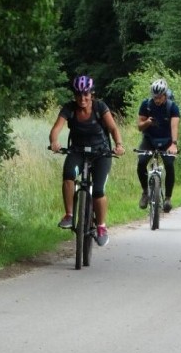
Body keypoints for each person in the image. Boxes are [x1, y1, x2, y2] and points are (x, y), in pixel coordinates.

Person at [49, 75, 125, 247]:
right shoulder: (69, 108)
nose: (82, 98)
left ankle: (101, 227)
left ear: (92, 94)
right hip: (78, 151)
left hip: (101, 153)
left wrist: (119, 145)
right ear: (74, 95)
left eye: (85, 94)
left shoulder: (100, 107)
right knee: (68, 175)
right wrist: (54, 141)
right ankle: (69, 215)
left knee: (98, 190)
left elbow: (113, 128)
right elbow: (56, 128)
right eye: (78, 95)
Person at [136, 78, 181, 212]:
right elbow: (139, 126)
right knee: (141, 162)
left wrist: (173, 144)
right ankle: (145, 192)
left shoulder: (172, 107)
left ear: (165, 95)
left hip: (167, 140)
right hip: (149, 139)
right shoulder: (146, 105)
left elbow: (174, 126)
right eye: (155, 97)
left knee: (169, 164)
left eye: (159, 97)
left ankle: (167, 198)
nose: (157, 100)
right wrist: (147, 123)